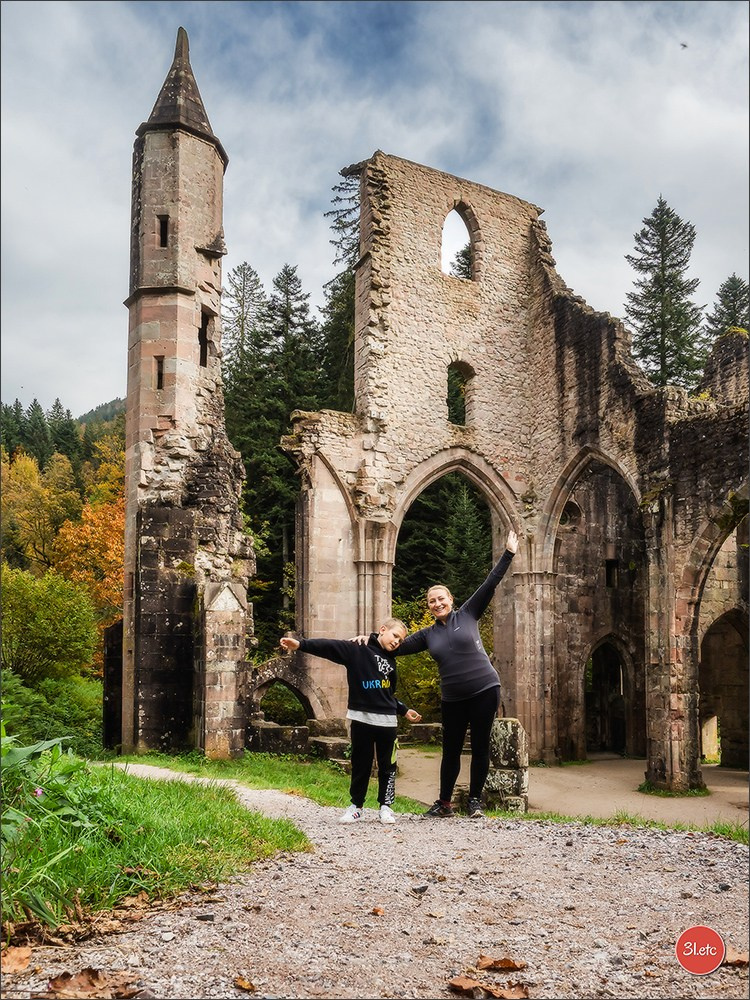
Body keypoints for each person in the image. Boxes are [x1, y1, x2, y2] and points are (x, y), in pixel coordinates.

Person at [357, 529, 518, 819]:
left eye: (441, 598)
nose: (437, 603)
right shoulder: (427, 635)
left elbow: (490, 583)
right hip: (453, 698)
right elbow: (393, 646)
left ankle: (474, 803)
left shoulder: (468, 613)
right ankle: (444, 804)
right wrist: (367, 640)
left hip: (484, 690)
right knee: (451, 751)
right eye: (432, 601)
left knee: (480, 747)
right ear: (428, 607)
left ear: (451, 599)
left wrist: (508, 553)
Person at [279, 619, 422, 825]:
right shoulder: (358, 649)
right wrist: (301, 644)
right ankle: (356, 807)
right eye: (394, 636)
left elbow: (388, 694)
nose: (396, 642)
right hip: (361, 720)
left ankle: (386, 807)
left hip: (388, 723)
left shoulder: (392, 661)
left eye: (400, 640)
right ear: (383, 630)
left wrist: (404, 710)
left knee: (388, 766)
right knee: (360, 765)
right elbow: (330, 646)